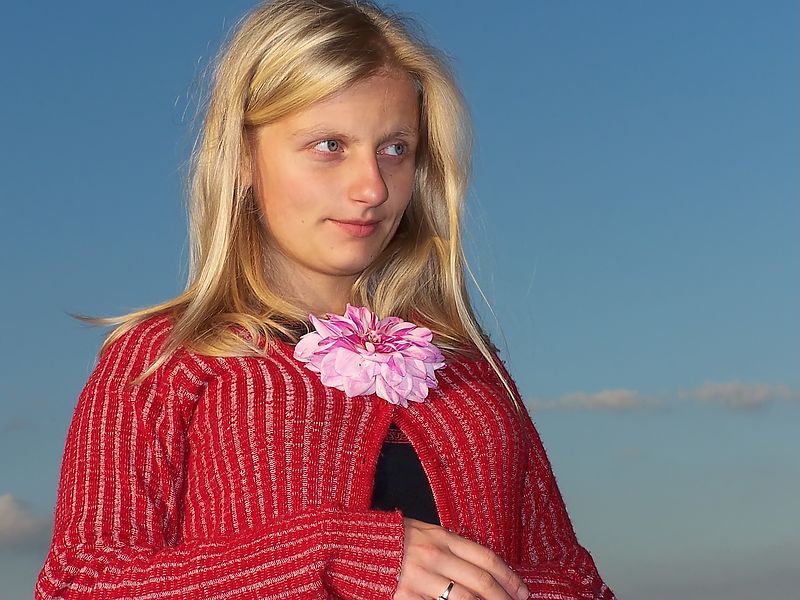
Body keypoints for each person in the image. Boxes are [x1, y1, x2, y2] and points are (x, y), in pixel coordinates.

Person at [34, 1, 617, 598]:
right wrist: (333, 556)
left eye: (395, 148)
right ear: (242, 159)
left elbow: (572, 580)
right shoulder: (163, 360)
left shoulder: (470, 371)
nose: (371, 186)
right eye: (329, 145)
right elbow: (80, 584)